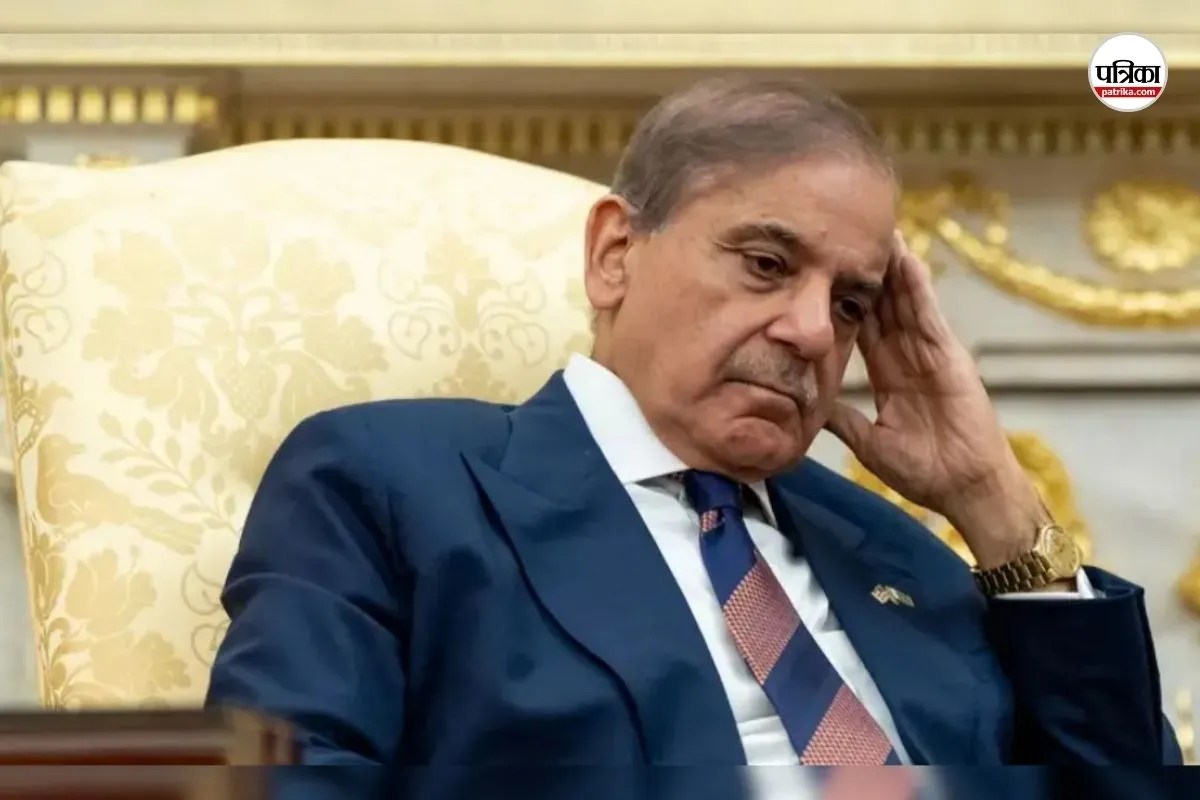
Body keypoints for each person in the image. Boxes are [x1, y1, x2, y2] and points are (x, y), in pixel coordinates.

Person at [205, 77, 1182, 798]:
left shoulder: (895, 551)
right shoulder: (393, 485)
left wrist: (993, 500)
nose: (813, 331)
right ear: (614, 253)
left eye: (851, 303)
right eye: (766, 263)